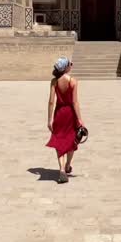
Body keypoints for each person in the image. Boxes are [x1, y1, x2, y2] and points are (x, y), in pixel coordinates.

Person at [45, 56, 84, 184]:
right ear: (66, 67)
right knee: (71, 140)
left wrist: (49, 119)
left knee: (60, 141)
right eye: (69, 64)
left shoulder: (54, 82)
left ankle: (62, 169)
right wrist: (80, 119)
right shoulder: (72, 81)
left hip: (59, 113)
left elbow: (51, 102)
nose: (71, 66)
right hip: (70, 114)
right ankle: (67, 165)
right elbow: (75, 102)